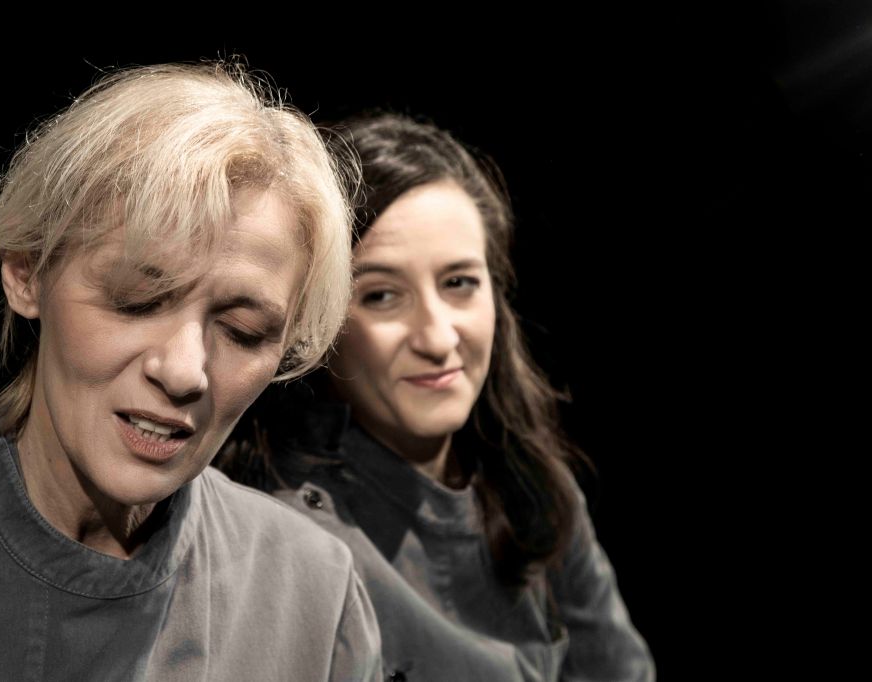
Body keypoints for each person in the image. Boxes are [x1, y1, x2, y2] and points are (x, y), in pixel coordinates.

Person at [0, 63, 381, 680]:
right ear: (27, 272)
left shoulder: (314, 595)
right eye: (137, 301)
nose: (183, 371)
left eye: (242, 331)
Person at [219, 113, 655, 681]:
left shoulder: (535, 490)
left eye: (459, 284)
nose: (438, 338)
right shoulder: (276, 532)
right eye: (382, 295)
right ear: (315, 324)